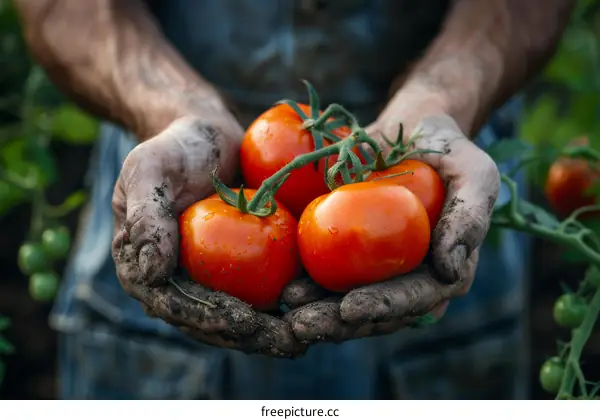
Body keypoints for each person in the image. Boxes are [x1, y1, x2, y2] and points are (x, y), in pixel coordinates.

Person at [15, 0, 574, 399]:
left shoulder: (391, 186)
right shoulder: (360, 193)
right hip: (172, 182)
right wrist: (167, 110)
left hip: (445, 169)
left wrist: (445, 96)